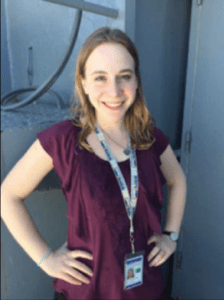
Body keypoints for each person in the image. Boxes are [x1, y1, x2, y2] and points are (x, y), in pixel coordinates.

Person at [1, 27, 187, 300]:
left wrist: (170, 237)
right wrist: (46, 258)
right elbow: (8, 195)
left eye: (125, 76)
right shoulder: (63, 140)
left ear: (136, 81)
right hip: (85, 291)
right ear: (84, 83)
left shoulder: (150, 138)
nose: (114, 91)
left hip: (144, 289)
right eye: (100, 77)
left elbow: (178, 180)